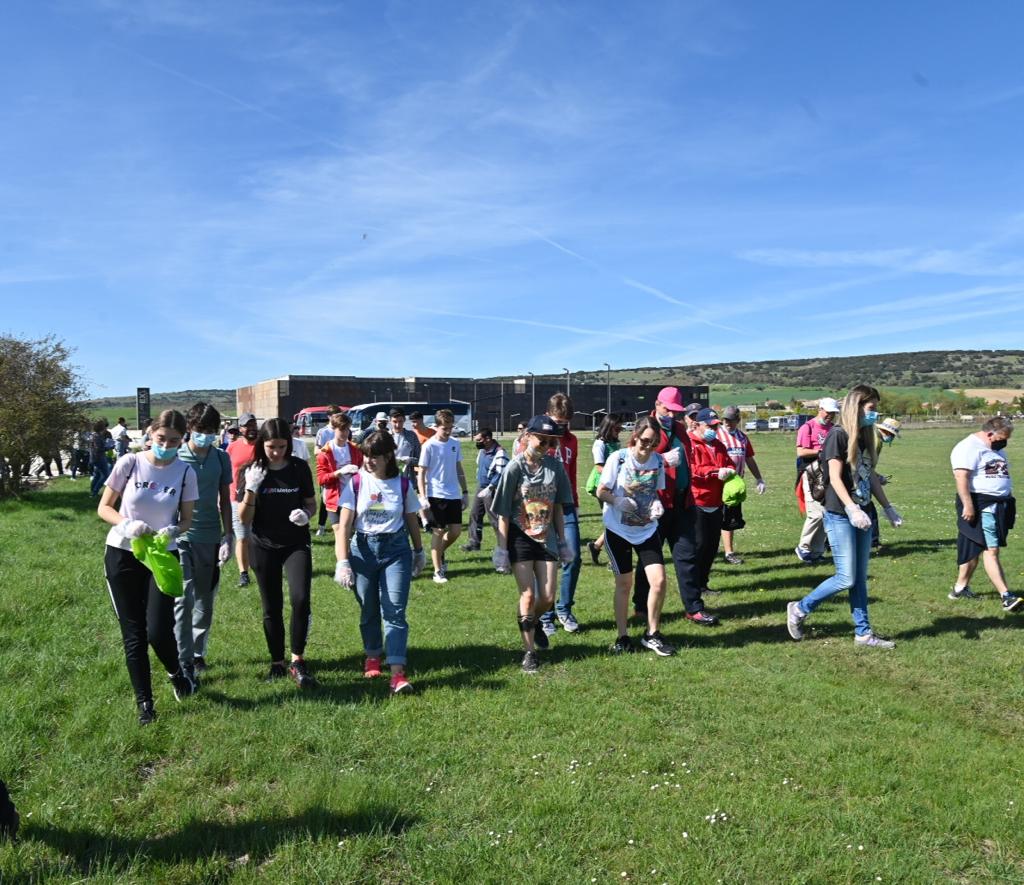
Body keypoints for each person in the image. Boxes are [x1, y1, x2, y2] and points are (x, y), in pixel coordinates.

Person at [97, 409, 199, 725]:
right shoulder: (129, 463)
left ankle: (176, 673)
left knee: (157, 630)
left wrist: (174, 530)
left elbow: (185, 519)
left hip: (162, 557)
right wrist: (126, 524)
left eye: (173, 440)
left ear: (182, 440)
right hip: (124, 554)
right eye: (160, 438)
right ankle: (145, 705)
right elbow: (104, 507)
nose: (166, 445)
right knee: (134, 634)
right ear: (149, 434)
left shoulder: (185, 473)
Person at [786, 385, 903, 648]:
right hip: (841, 514)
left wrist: (887, 507)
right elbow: (834, 478)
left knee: (859, 579)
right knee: (846, 577)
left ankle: (863, 633)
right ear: (857, 406)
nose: (874, 414)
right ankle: (800, 609)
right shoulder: (838, 436)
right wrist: (851, 508)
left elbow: (869, 474)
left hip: (862, 511)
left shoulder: (863, 436)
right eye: (871, 409)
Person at [335, 431, 427, 694]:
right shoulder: (355, 483)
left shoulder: (403, 484)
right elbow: (343, 526)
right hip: (363, 551)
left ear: (389, 456)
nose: (368, 461)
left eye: (374, 456)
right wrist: (343, 562)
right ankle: (373, 654)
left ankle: (397, 672)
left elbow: (411, 519)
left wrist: (419, 551)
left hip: (396, 550)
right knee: (369, 608)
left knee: (395, 611)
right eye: (365, 455)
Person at [237, 418, 319, 687]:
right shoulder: (252, 470)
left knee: (300, 598)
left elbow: (311, 504)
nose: (277, 452)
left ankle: (298, 660)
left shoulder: (298, 468)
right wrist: (251, 488)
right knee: (271, 606)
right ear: (262, 444)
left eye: (282, 446)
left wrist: (305, 514)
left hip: (295, 542)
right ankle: (277, 662)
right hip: (263, 545)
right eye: (272, 447)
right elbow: (244, 517)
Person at [492, 415, 574, 673]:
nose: (546, 446)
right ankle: (529, 652)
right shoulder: (514, 468)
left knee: (548, 597)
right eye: (542, 440)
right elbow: (503, 511)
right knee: (527, 596)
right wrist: (502, 549)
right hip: (520, 537)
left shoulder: (555, 467)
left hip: (546, 538)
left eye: (551, 442)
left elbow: (559, 505)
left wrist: (562, 541)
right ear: (528, 436)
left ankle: (534, 623)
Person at [631, 388, 718, 627]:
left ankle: (694, 608)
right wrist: (660, 460)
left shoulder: (680, 429)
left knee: (687, 556)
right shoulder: (646, 428)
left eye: (674, 410)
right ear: (657, 404)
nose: (670, 414)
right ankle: (640, 607)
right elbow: (633, 461)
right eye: (666, 409)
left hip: (683, 503)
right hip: (655, 505)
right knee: (649, 558)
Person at [596, 416, 676, 656]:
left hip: (646, 529)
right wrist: (617, 500)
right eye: (644, 441)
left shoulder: (657, 462)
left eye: (653, 443)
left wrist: (656, 505)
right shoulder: (618, 458)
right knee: (624, 584)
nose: (648, 447)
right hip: (618, 530)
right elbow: (601, 491)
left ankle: (652, 634)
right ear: (635, 437)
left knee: (659, 581)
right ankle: (622, 637)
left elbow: (655, 492)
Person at [174, 402, 233, 682]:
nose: (205, 436)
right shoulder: (176, 457)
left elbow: (225, 499)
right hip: (181, 537)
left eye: (210, 431)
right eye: (200, 430)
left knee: (204, 601)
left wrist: (228, 534)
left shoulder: (221, 458)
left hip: (210, 537)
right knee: (183, 599)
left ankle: (197, 653)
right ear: (190, 428)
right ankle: (182, 657)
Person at [949, 417, 1021, 610]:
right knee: (992, 549)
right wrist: (968, 505)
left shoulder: (996, 450)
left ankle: (959, 588)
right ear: (990, 434)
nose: (1004, 441)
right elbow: (961, 477)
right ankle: (1006, 596)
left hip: (999, 506)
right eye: (1002, 437)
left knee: (974, 549)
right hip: (982, 506)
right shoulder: (968, 448)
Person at [539, 394, 584, 635]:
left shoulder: (573, 441)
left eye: (566, 422)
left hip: (566, 506)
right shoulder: (537, 438)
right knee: (547, 562)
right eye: (558, 421)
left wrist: (575, 502)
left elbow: (573, 473)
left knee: (574, 557)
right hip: (541, 508)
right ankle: (545, 615)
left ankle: (564, 608)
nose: (562, 426)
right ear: (548, 415)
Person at [684, 408, 736, 600]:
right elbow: (692, 470)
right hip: (698, 501)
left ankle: (703, 583)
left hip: (716, 501)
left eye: (716, 426)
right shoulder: (690, 444)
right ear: (698, 425)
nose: (714, 429)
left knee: (712, 546)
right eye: (710, 425)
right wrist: (715, 472)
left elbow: (729, 463)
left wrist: (729, 471)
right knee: (699, 545)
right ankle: (692, 587)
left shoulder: (719, 445)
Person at [416, 408, 468, 584]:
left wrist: (465, 492)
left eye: (450, 427)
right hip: (435, 494)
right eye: (444, 428)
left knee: (455, 532)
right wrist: (423, 497)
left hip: (454, 494)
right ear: (436, 427)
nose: (448, 431)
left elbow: (459, 469)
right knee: (438, 531)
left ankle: (437, 553)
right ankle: (438, 571)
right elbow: (421, 473)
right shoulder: (428, 446)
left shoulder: (455, 444)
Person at [315, 411, 364, 582]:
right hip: (334, 498)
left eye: (347, 429)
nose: (344, 433)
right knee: (339, 532)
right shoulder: (325, 452)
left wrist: (358, 472)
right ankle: (343, 569)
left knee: (350, 532)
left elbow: (363, 470)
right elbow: (321, 479)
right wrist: (339, 472)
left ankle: (352, 563)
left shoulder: (355, 450)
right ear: (334, 429)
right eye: (341, 429)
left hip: (354, 497)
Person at [717, 405, 766, 564]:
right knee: (711, 519)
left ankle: (729, 552)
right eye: (725, 420)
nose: (727, 423)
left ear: (738, 420)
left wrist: (759, 478)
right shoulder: (716, 435)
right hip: (717, 483)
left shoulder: (742, 438)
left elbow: (749, 458)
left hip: (734, 486)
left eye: (731, 420)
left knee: (730, 519)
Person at [794, 397, 840, 562]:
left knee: (826, 513)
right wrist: (821, 451)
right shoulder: (807, 427)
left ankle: (817, 552)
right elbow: (801, 452)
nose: (830, 416)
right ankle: (803, 547)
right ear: (820, 409)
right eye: (828, 412)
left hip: (829, 474)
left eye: (833, 413)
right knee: (816, 514)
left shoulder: (834, 429)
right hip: (811, 474)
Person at [462, 428, 508, 552]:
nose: (477, 443)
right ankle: (474, 543)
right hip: (480, 487)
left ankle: (503, 545)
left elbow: (501, 473)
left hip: (492, 489)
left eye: (479, 440)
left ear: (488, 438)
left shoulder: (500, 453)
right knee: (475, 514)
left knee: (495, 518)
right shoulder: (482, 451)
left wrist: (490, 488)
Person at [586, 414, 623, 566]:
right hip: (601, 486)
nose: (619, 431)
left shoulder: (615, 442)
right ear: (609, 426)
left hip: (613, 484)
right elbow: (599, 467)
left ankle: (596, 546)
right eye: (617, 428)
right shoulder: (599, 444)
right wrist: (616, 474)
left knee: (615, 521)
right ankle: (614, 560)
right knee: (615, 521)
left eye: (620, 428)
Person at [227, 413, 258, 587]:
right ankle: (243, 573)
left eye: (254, 425)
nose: (252, 428)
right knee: (242, 536)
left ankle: (262, 566)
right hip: (237, 499)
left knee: (259, 536)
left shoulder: (263, 445)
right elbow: (226, 473)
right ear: (241, 429)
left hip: (261, 498)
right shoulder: (232, 447)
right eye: (248, 426)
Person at [313, 409, 340, 536]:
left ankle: (344, 526)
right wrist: (329, 452)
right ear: (329, 417)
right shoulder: (323, 432)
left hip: (341, 470)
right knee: (325, 499)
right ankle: (321, 526)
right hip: (327, 471)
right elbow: (316, 451)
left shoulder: (344, 430)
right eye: (335, 416)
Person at [388, 408, 422, 479]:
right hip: (389, 478)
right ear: (390, 421)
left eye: (400, 421)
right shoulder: (385, 436)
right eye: (394, 422)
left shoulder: (412, 436)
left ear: (404, 420)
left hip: (408, 478)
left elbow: (420, 459)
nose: (398, 425)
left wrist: (409, 460)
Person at [89, 419, 113, 497]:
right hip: (99, 458)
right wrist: (108, 447)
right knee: (105, 475)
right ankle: (95, 491)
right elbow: (98, 448)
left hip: (95, 458)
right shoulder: (97, 436)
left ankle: (92, 491)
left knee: (97, 475)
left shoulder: (95, 435)